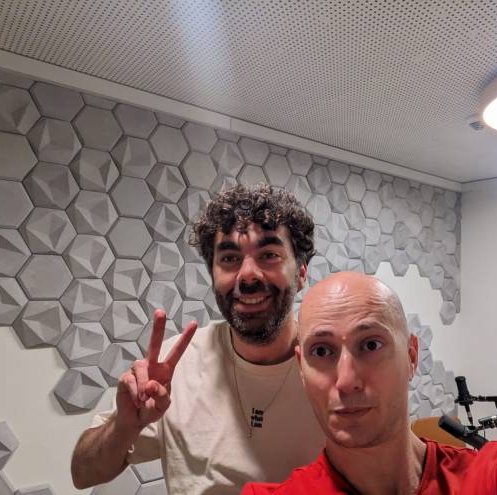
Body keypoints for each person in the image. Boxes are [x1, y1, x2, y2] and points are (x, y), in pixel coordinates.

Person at [71, 184, 325, 494]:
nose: (247, 275)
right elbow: (82, 474)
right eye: (229, 258)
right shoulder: (175, 366)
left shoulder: (333, 369)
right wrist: (125, 425)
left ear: (301, 272)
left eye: (269, 255)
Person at [242, 272, 497, 494]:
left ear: (411, 356)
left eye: (370, 345)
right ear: (302, 369)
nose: (346, 381)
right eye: (321, 351)